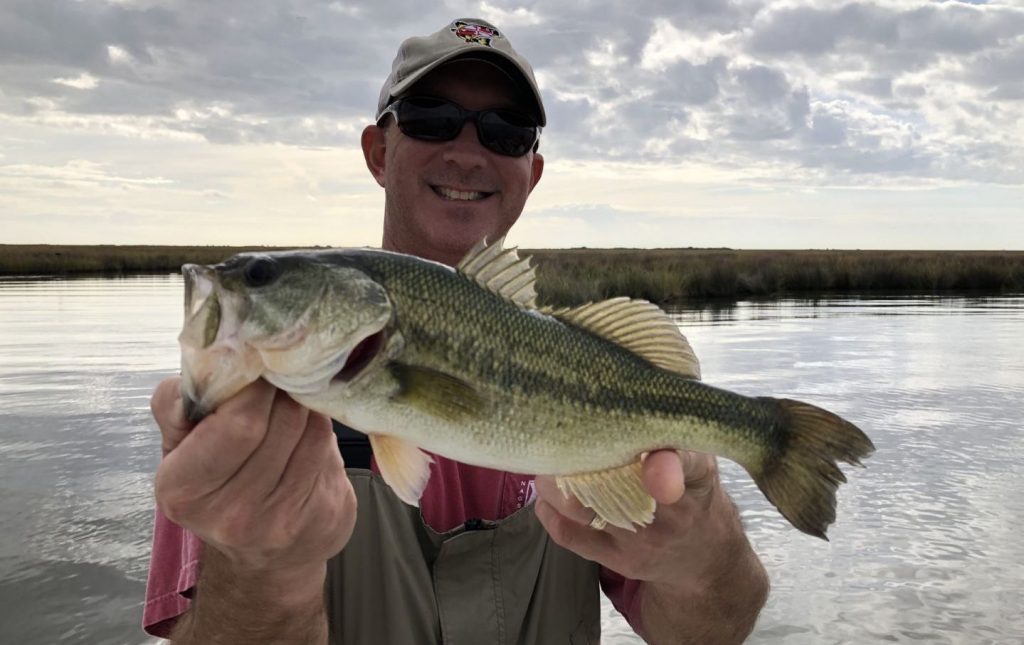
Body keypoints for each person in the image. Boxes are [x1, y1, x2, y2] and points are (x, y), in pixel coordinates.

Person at [144, 18, 769, 644]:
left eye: (506, 131)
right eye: (430, 117)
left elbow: (714, 632)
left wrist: (703, 543)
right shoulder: (245, 421)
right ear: (379, 152)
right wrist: (263, 571)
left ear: (533, 170)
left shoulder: (585, 365)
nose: (468, 152)